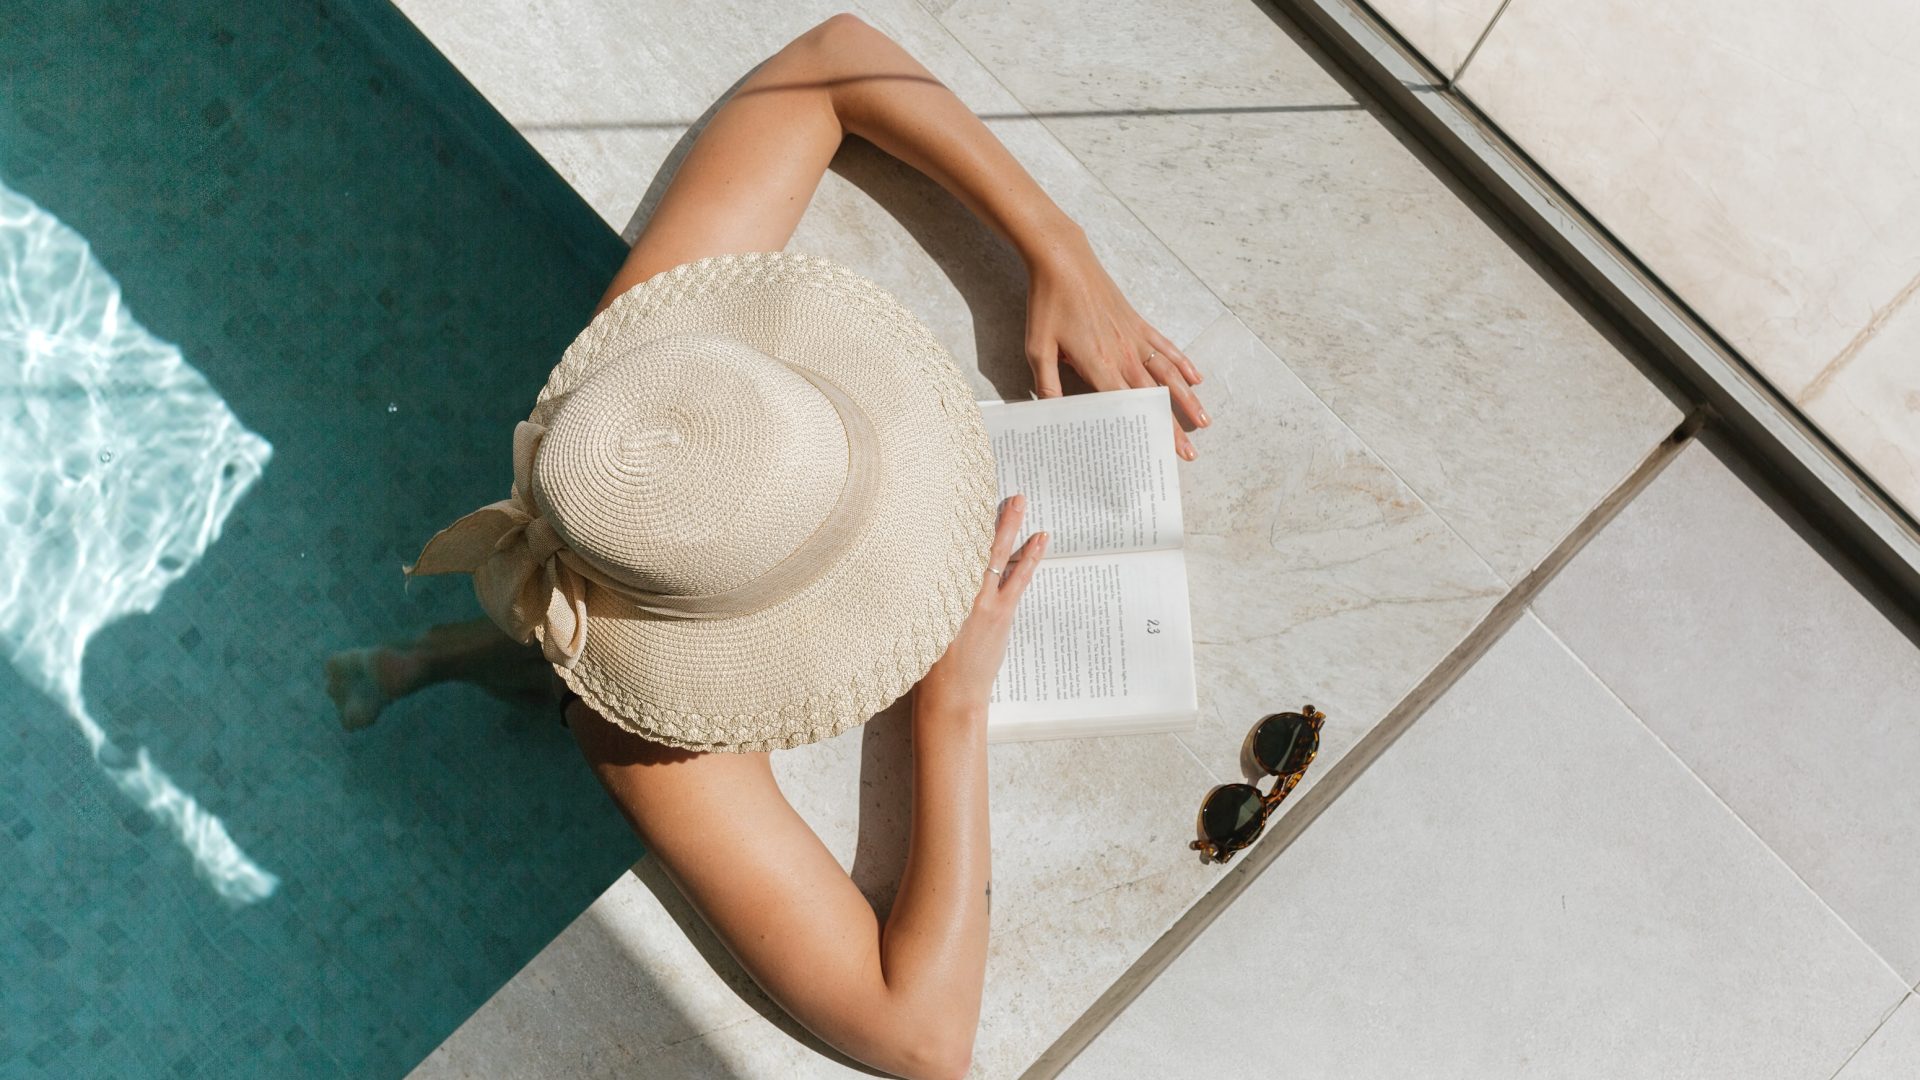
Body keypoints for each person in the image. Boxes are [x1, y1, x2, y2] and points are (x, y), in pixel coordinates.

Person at [324, 14, 1206, 1079]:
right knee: (565, 676)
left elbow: (828, 61)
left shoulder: (655, 393)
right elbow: (922, 1039)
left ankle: (412, 660)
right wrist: (950, 706)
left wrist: (1058, 250)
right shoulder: (649, 745)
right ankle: (421, 660)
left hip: (592, 571)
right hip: (601, 640)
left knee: (545, 633)